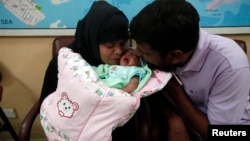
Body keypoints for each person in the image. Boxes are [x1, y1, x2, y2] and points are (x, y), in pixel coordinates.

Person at [130, 0, 250, 140]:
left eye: (144, 53)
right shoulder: (164, 47)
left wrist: (177, 93)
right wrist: (173, 119)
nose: (137, 53)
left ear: (175, 56)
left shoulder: (229, 64)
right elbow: (151, 90)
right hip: (185, 122)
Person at [39, 1, 157, 141]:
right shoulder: (67, 63)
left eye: (122, 43)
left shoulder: (127, 60)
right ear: (93, 40)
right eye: (109, 45)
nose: (118, 51)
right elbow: (50, 105)